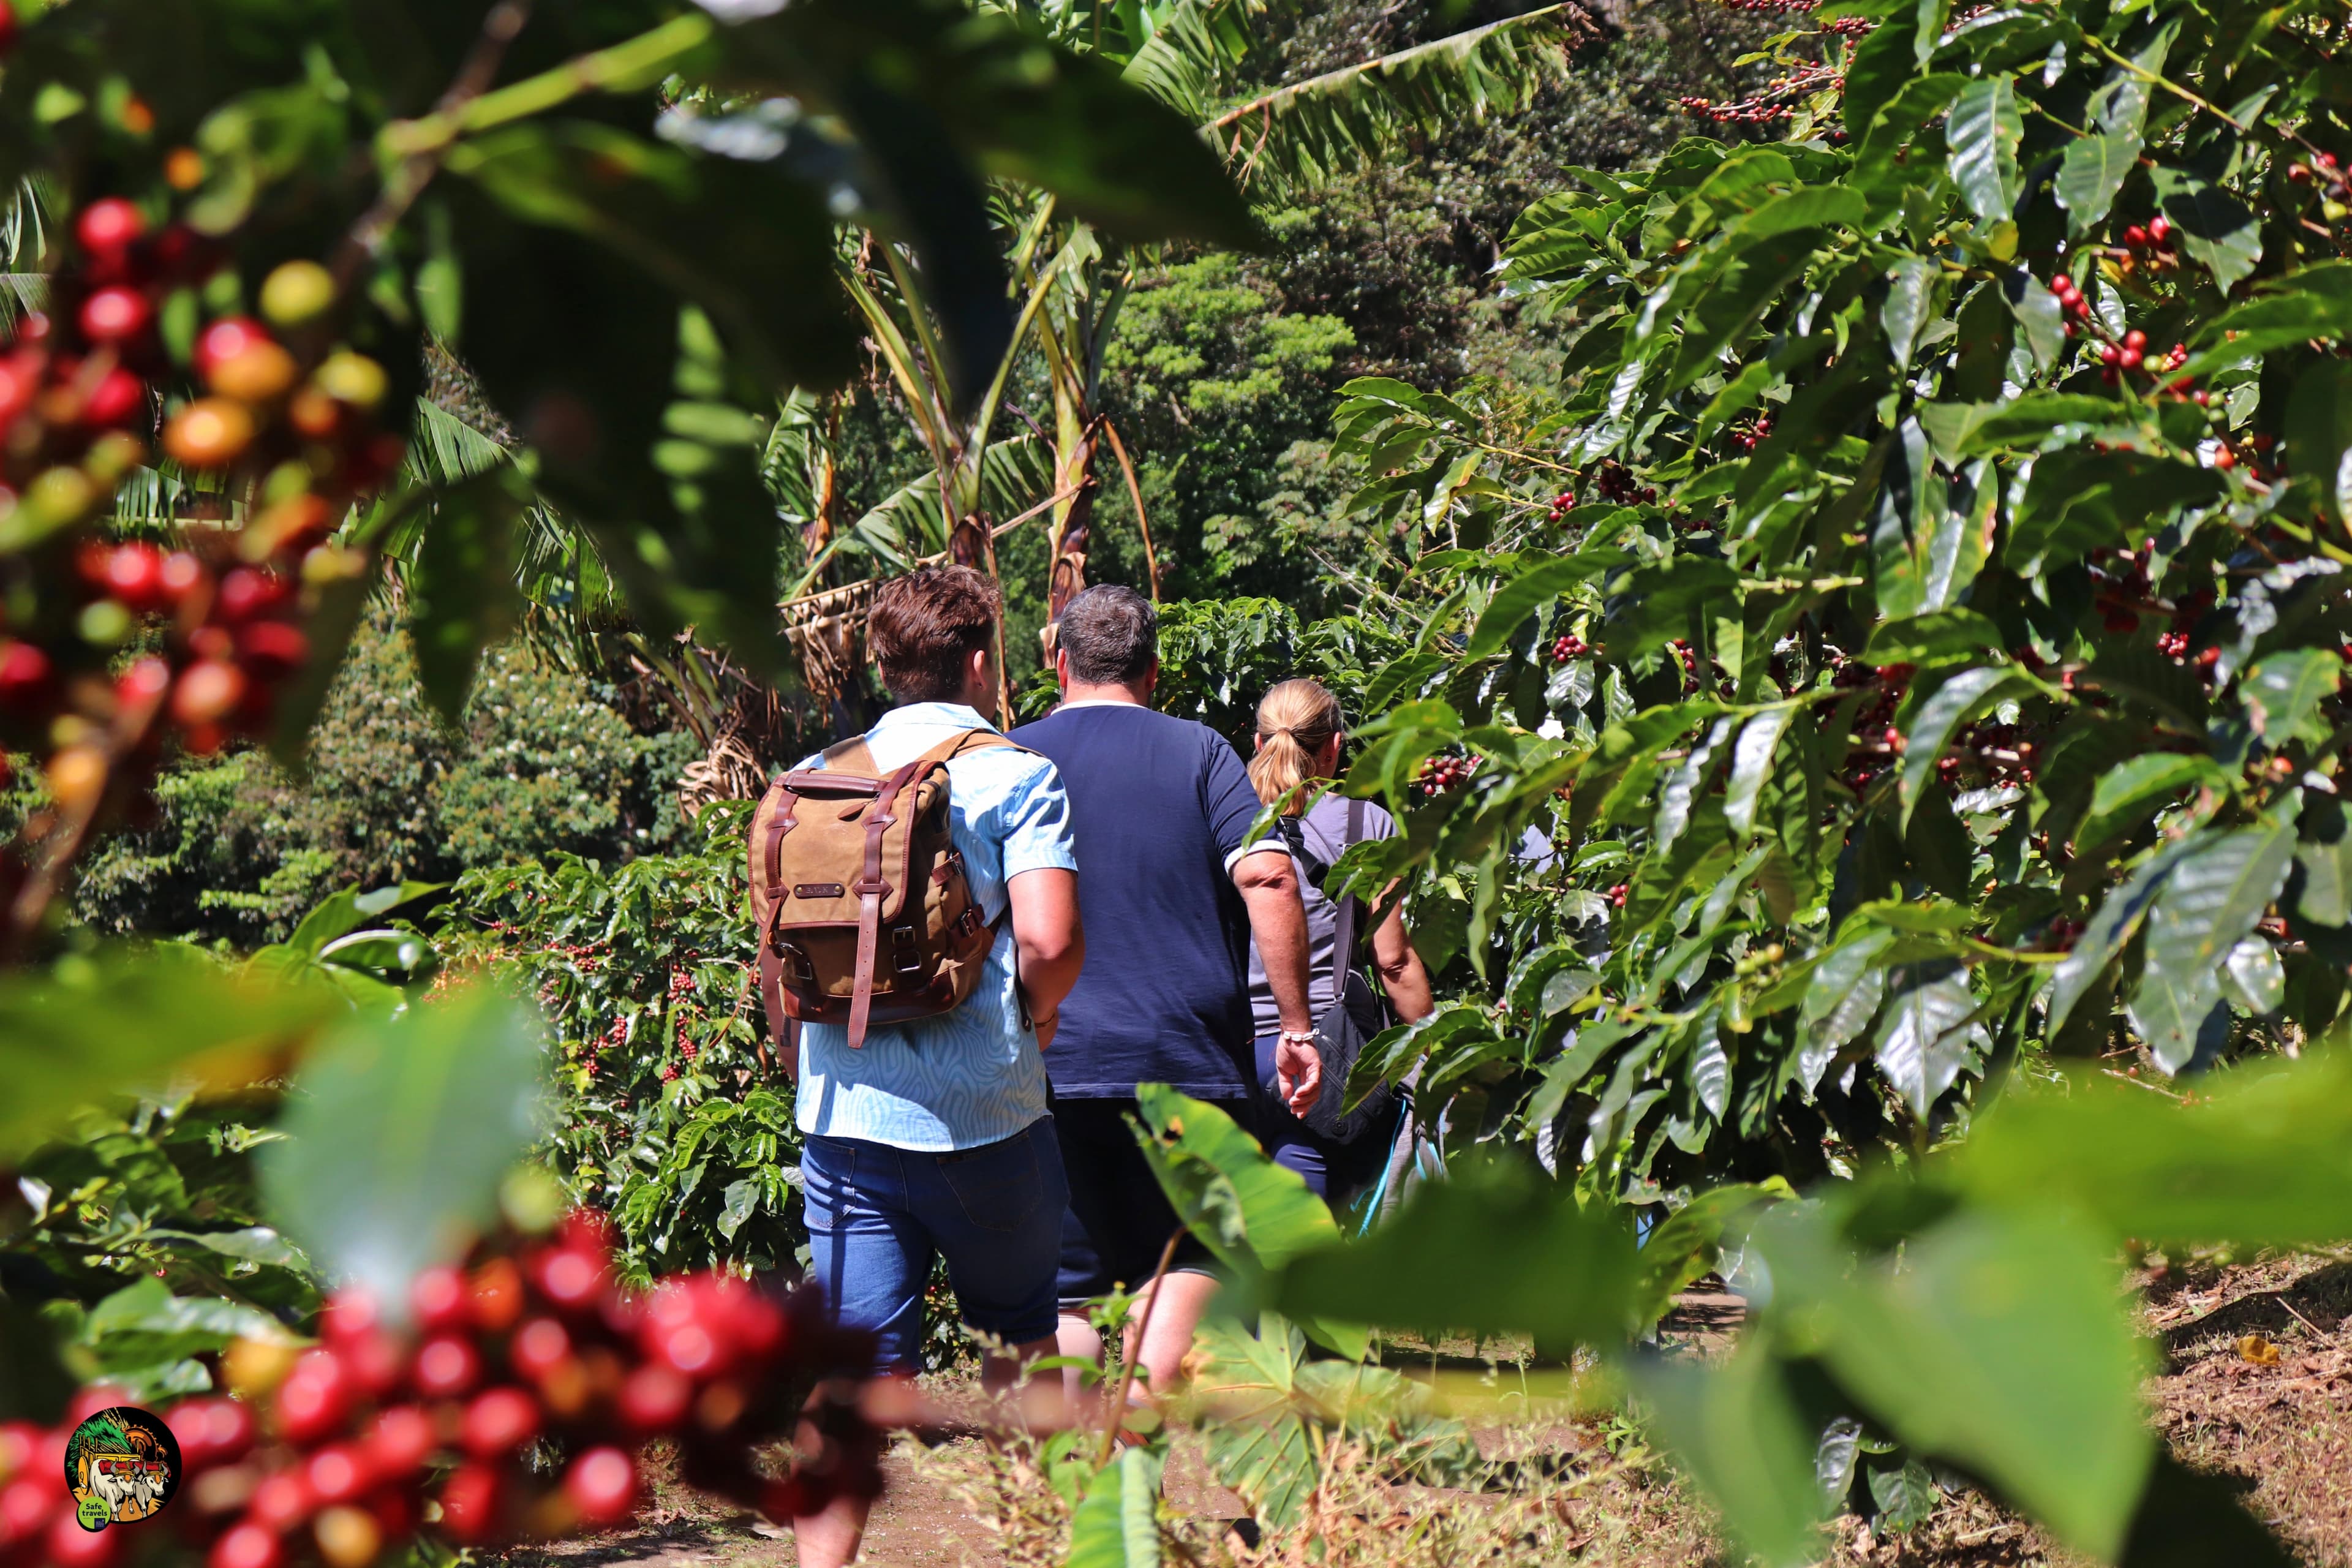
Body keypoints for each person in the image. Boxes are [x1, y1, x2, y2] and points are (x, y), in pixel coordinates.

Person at [785, 567, 1086, 1568]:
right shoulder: (1015, 774)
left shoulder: (814, 779)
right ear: (977, 658)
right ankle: (1039, 1548)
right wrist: (1033, 1026)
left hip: (844, 1126)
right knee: (1020, 1345)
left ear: (881, 663)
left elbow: (782, 966)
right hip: (985, 1120)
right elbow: (1049, 941)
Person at [1013, 585, 1319, 1396]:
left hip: (1047, 1066)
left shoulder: (1007, 759)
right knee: (1185, 1263)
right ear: (1154, 669)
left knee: (1064, 1290)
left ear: (1058, 662)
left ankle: (1065, 1495)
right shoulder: (1201, 755)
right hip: (1186, 1067)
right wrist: (1295, 1027)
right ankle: (1137, 1452)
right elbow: (1269, 878)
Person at [1245, 678, 1436, 1205]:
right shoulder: (1366, 823)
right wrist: (1434, 1043)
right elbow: (1393, 962)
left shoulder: (1228, 821)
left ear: (1258, 744)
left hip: (1232, 1047)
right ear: (1334, 747)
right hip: (1320, 1050)